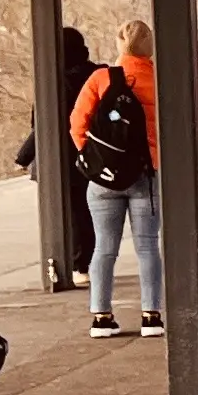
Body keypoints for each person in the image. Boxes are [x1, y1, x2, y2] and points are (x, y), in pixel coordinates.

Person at [71, 17, 163, 339]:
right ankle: (151, 316)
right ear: (149, 44)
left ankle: (101, 317)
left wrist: (97, 161)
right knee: (148, 247)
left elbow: (77, 123)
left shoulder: (100, 78)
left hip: (103, 180)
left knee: (104, 249)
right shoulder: (159, 79)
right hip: (145, 175)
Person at [14, 24, 96, 285]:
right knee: (86, 211)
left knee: (69, 213)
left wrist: (23, 156)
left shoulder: (56, 82)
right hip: (92, 155)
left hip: (60, 159)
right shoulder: (95, 75)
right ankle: (85, 263)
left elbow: (44, 125)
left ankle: (76, 264)